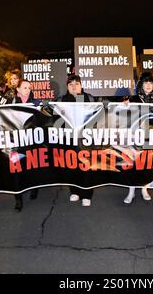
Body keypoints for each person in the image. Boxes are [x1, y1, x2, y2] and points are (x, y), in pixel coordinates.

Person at [123, 72, 153, 204]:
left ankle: (145, 188)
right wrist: (124, 105)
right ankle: (131, 191)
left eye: (151, 83)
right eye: (146, 82)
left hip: (151, 137)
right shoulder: (133, 98)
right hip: (134, 136)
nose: (148, 85)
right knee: (132, 164)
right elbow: (123, 115)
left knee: (148, 164)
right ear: (141, 84)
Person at [56, 74, 95, 207]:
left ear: (81, 85)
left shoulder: (89, 99)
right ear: (67, 87)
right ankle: (75, 191)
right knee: (71, 166)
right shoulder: (61, 100)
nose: (74, 87)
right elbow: (55, 118)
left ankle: (86, 194)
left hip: (85, 139)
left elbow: (98, 116)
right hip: (69, 139)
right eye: (71, 84)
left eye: (76, 84)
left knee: (86, 167)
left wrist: (105, 106)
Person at [9, 79, 41, 211]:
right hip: (16, 143)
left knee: (32, 167)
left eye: (29, 88)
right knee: (15, 169)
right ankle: (18, 199)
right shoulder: (10, 102)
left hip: (31, 142)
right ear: (18, 89)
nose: (28, 90)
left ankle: (34, 188)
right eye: (25, 87)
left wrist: (40, 107)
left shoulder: (35, 102)